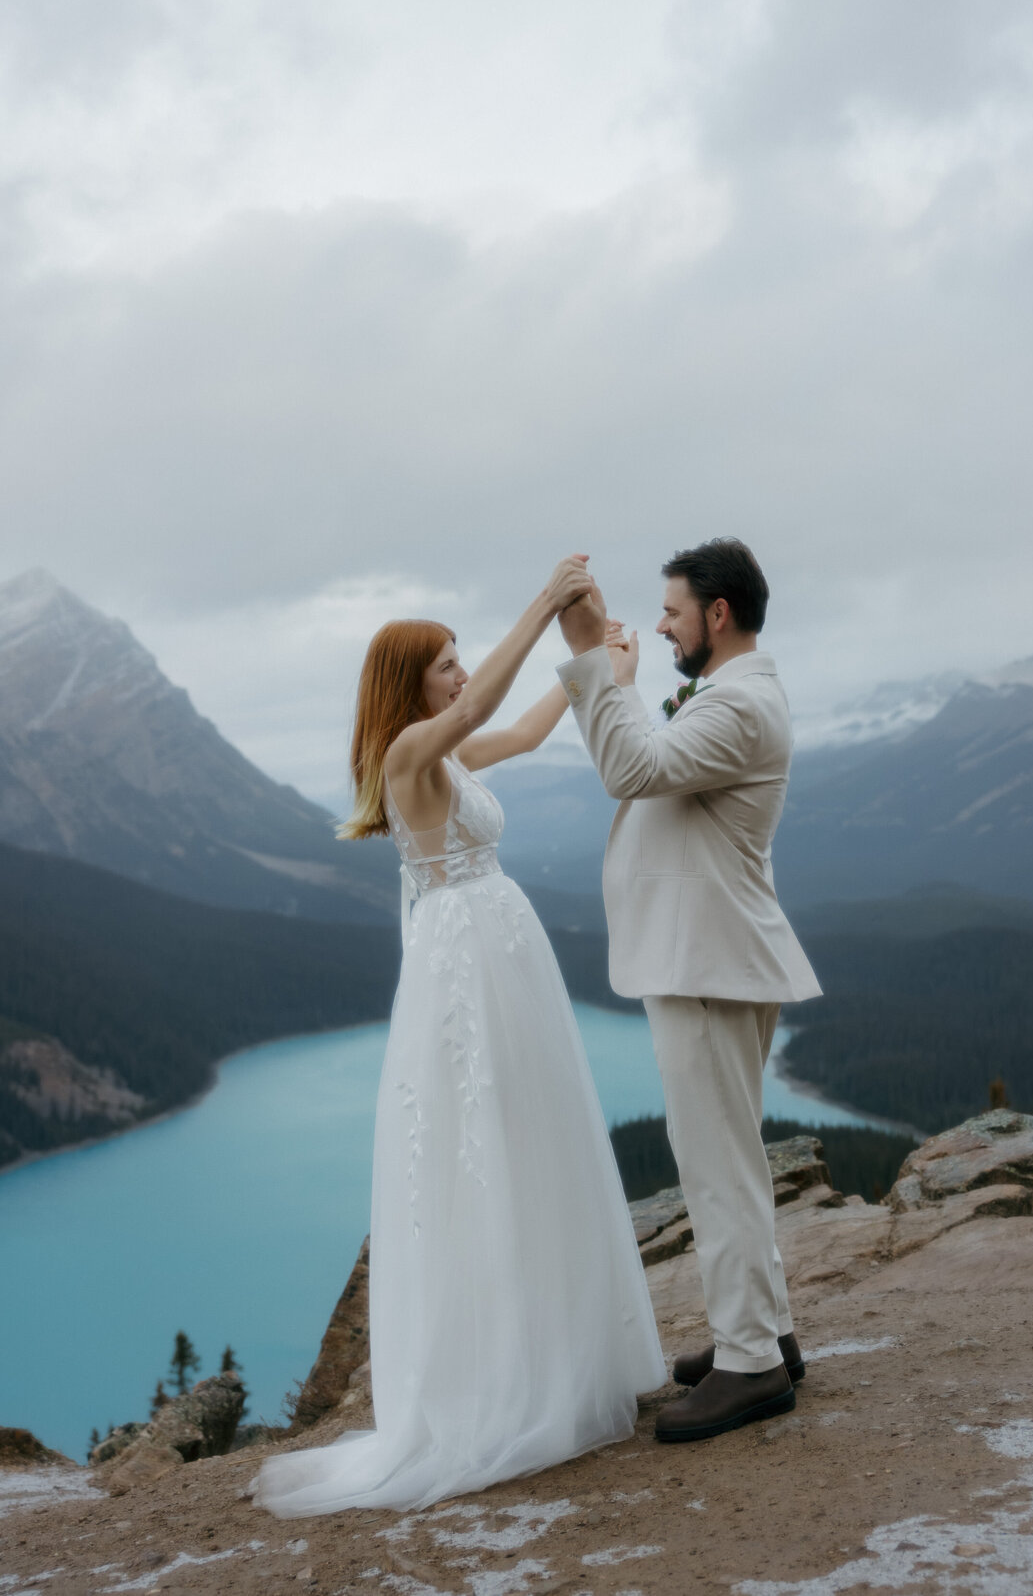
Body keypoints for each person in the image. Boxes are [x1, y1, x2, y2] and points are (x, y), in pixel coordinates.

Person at [253, 555, 665, 1516]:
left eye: (456, 657)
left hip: (499, 951)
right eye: (443, 661)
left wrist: (600, 670)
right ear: (410, 682)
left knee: (531, 1132)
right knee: (482, 1142)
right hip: (467, 964)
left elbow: (516, 729)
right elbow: (483, 712)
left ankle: (552, 1359)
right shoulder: (405, 755)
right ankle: (500, 1384)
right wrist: (546, 603)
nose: (458, 670)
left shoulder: (439, 756)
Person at [556, 537, 822, 1444]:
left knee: (714, 1161)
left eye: (671, 610)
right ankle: (766, 1331)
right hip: (710, 956)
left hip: (705, 962)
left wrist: (601, 664)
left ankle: (750, 1363)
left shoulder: (740, 703)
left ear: (717, 613)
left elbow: (632, 770)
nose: (660, 624)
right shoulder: (733, 696)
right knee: (729, 1150)